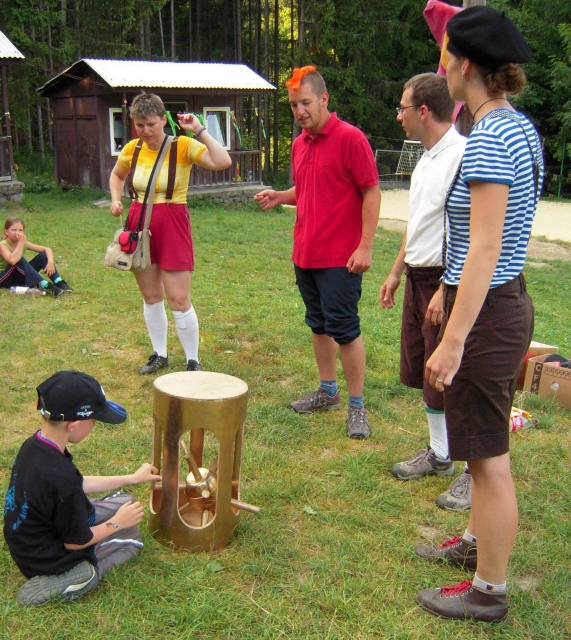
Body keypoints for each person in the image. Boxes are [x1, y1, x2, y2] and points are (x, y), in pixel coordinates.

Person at [413, 6, 543, 622]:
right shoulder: (515, 126)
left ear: (464, 64)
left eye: (446, 54)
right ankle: (475, 543)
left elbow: (487, 245)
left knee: (489, 460)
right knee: (480, 447)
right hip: (500, 302)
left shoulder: (490, 135)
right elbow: (484, 238)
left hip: (488, 313)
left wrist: (455, 338)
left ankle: (489, 589)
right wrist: (447, 290)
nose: (441, 64)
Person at [254, 66, 381, 439]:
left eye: (306, 103)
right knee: (318, 324)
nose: (300, 111)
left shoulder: (350, 139)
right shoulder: (300, 143)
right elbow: (309, 187)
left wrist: (365, 246)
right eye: (294, 105)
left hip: (341, 258)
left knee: (345, 330)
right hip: (305, 254)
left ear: (324, 99)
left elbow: (371, 190)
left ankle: (356, 407)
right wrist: (281, 196)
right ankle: (328, 391)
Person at [379, 73, 471, 511]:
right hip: (418, 277)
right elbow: (417, 224)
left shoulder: (462, 156)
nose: (398, 116)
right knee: (425, 371)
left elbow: (469, 231)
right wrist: (397, 271)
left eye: (402, 108)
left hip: (445, 280)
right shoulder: (426, 160)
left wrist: (447, 288)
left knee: (455, 375)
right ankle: (440, 454)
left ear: (424, 111)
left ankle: (472, 469)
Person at [3, 370, 161, 606]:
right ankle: (76, 576)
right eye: (94, 421)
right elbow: (74, 542)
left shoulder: (35, 445)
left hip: (30, 539)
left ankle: (103, 532)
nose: (94, 426)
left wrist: (131, 478)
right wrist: (117, 523)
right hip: (47, 557)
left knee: (126, 501)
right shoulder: (62, 478)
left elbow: (77, 484)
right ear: (74, 425)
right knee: (132, 540)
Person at [109, 92, 232, 374]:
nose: (145, 131)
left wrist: (199, 129)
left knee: (178, 298)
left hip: (172, 219)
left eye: (151, 124)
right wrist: (116, 199)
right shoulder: (132, 149)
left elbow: (222, 161)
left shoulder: (183, 146)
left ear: (163, 120)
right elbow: (117, 175)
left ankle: (192, 361)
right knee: (151, 296)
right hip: (139, 221)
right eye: (140, 125)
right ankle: (159, 354)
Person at [0, 216, 72, 297]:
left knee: (43, 255)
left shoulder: (23, 243)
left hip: (19, 277)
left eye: (20, 230)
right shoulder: (3, 245)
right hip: (4, 279)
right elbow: (12, 260)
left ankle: (58, 282)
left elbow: (47, 249)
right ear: (6, 231)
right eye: (14, 230)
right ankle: (46, 286)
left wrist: (50, 262)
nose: (17, 233)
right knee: (18, 259)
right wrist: (21, 242)